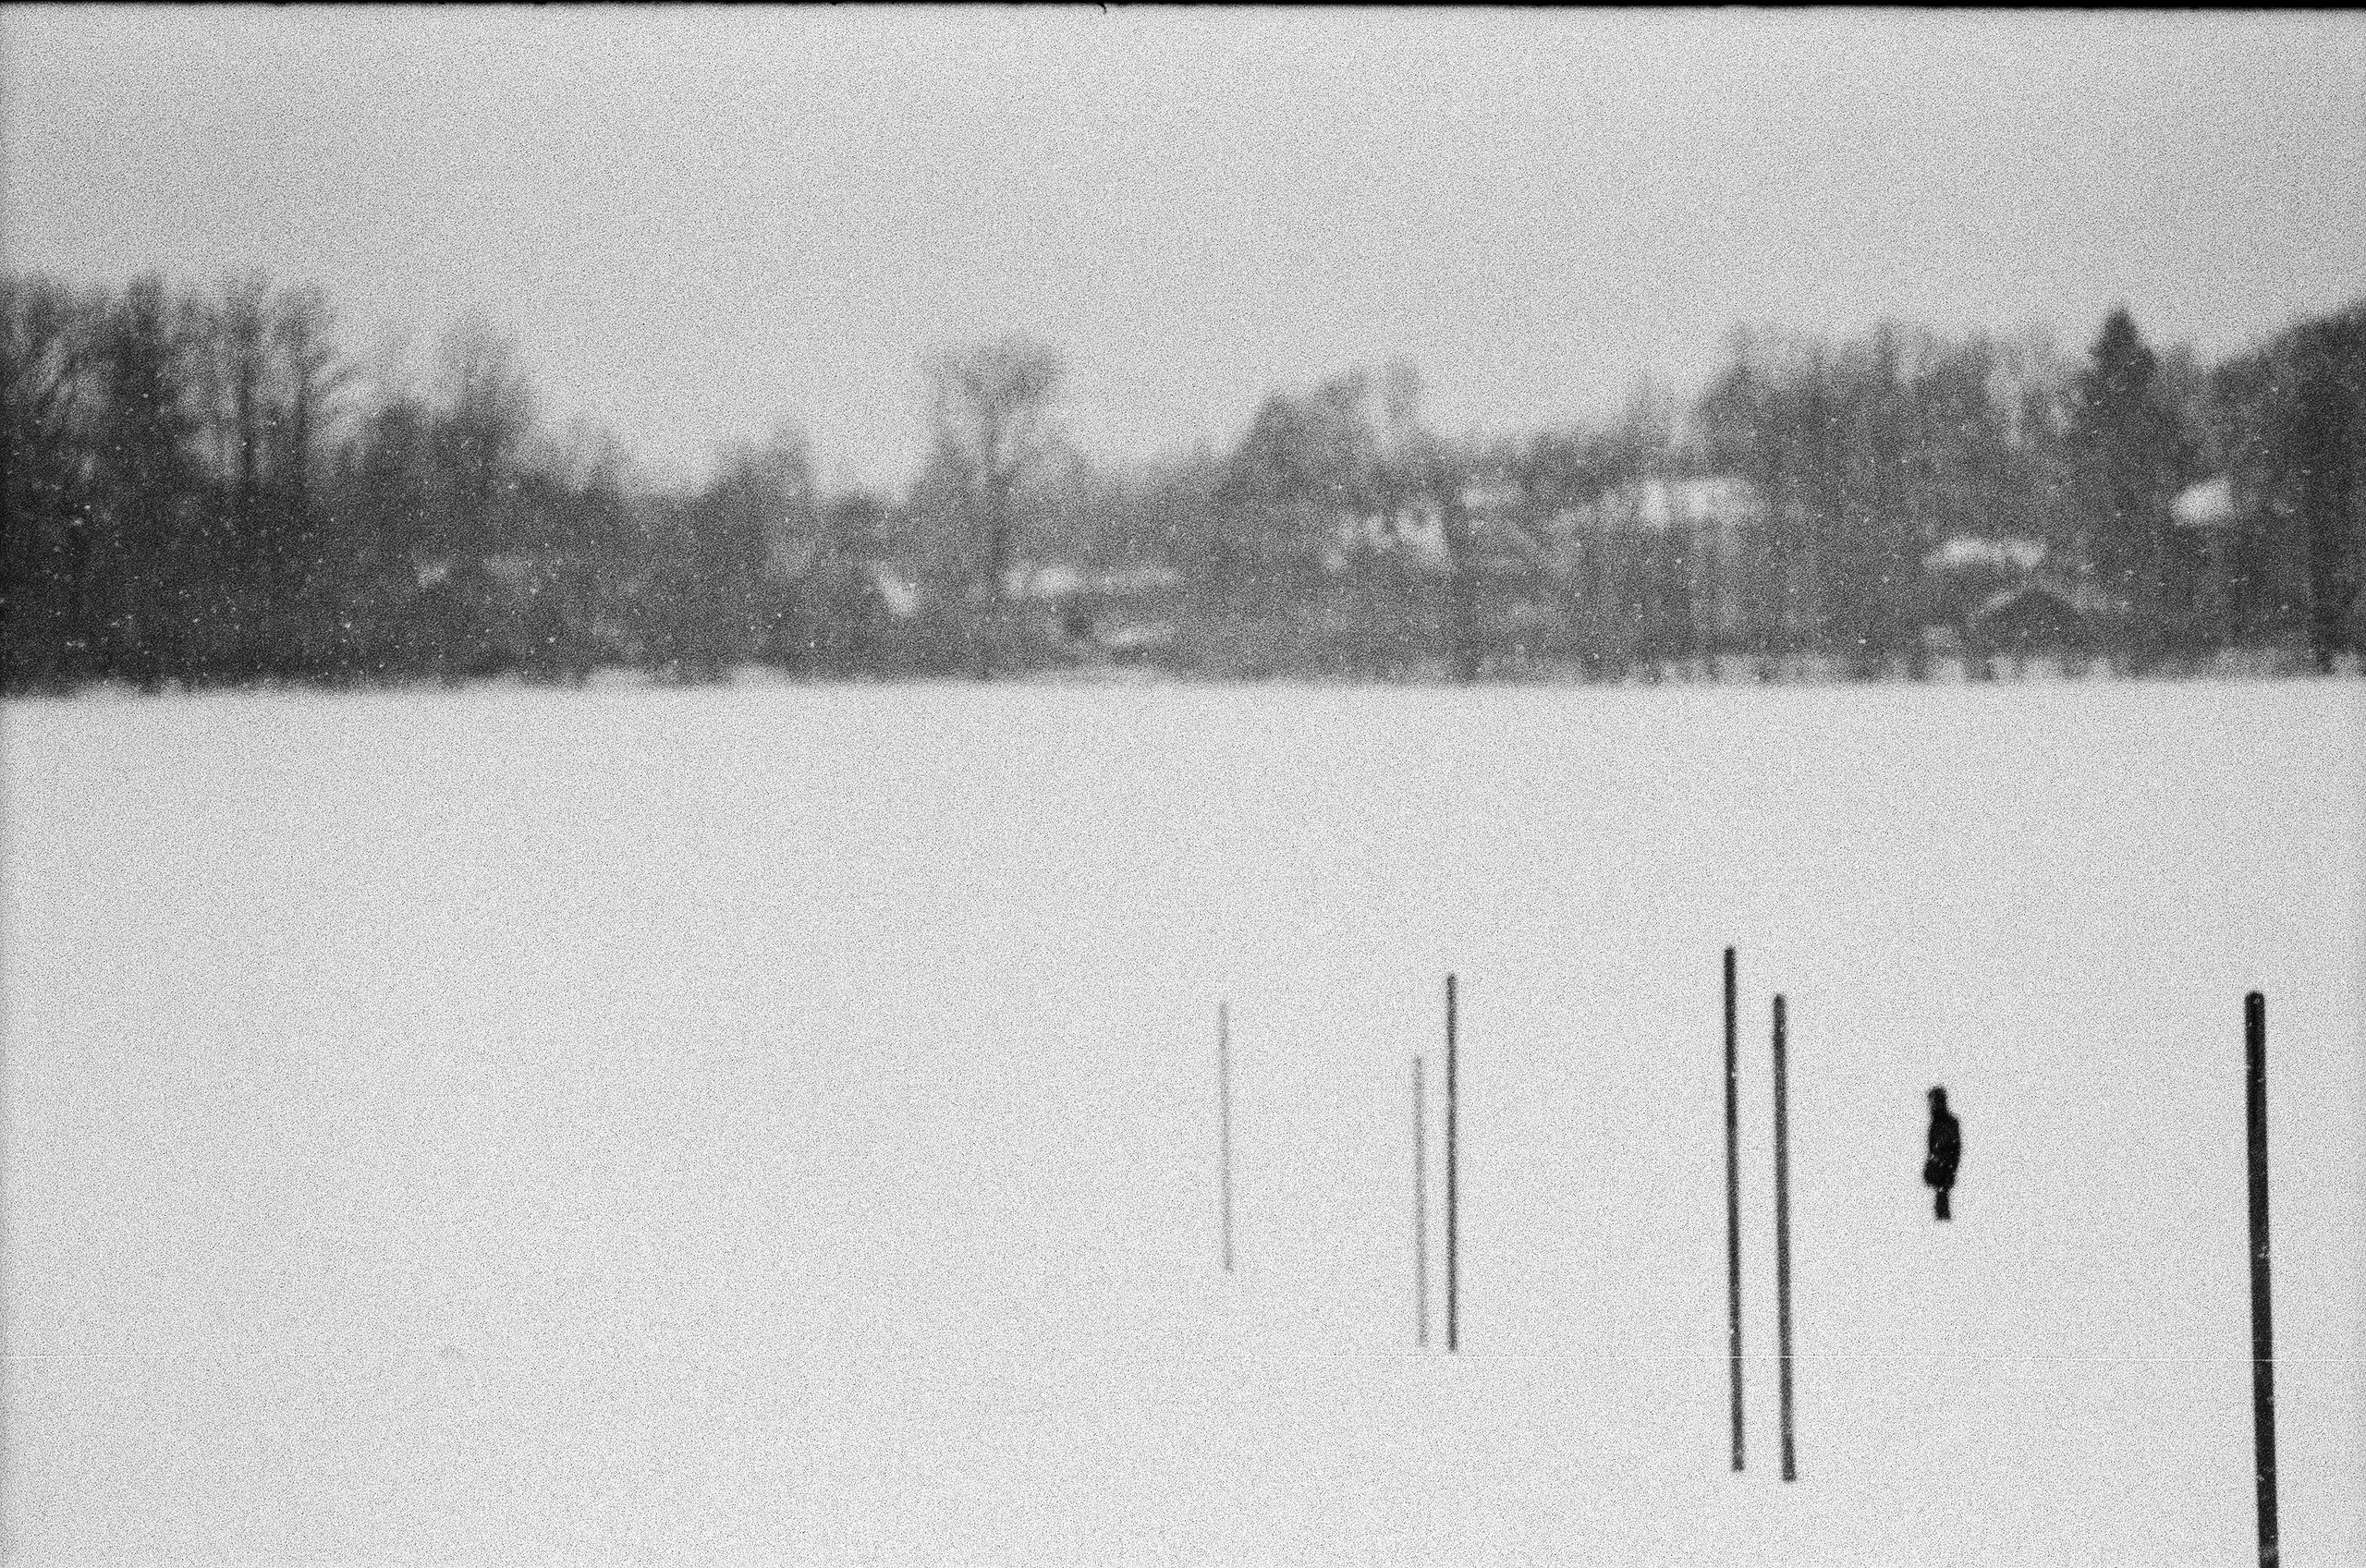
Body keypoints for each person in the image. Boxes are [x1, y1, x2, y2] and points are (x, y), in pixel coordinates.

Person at [1924, 1087, 1961, 1221]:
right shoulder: (1936, 1123)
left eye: (1933, 1101)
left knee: (1942, 1203)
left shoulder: (1947, 1123)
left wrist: (1949, 1171)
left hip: (1944, 1171)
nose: (1930, 1105)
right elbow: (1932, 1150)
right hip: (1938, 1171)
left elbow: (1953, 1150)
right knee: (1940, 1202)